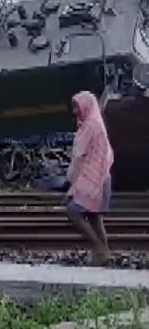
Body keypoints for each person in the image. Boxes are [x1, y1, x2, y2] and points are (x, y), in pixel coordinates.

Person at [64, 90, 114, 266]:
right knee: (94, 217)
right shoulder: (96, 123)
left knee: (73, 212)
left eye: (77, 106)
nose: (75, 111)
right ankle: (105, 255)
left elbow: (79, 157)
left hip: (93, 181)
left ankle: (99, 248)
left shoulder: (90, 127)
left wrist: (71, 183)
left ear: (86, 106)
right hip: (102, 178)